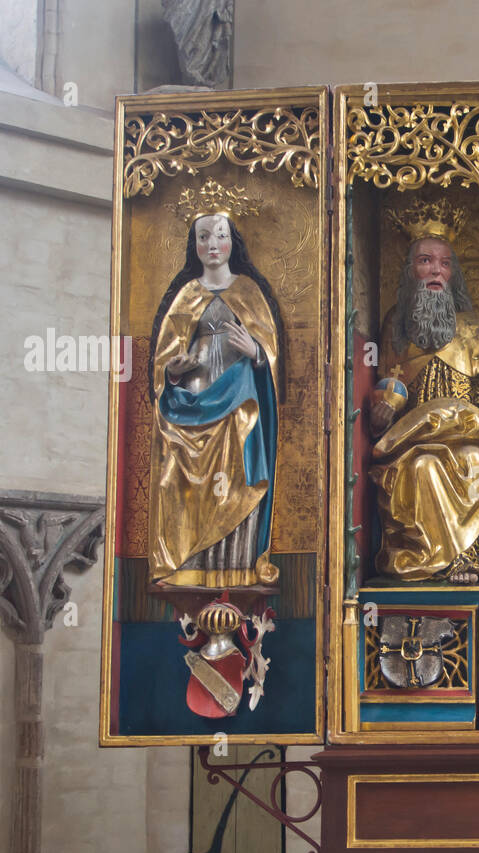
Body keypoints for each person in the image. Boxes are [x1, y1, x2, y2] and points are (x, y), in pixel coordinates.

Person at [369, 200, 479, 583]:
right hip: (411, 439)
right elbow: (389, 381)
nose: (436, 269)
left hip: (463, 433)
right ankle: (427, 561)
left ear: (453, 274)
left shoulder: (473, 328)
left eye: (444, 263)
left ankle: (465, 560)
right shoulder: (395, 325)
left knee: (475, 463)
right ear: (411, 271)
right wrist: (384, 408)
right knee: (422, 468)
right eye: (425, 261)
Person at [148, 181, 280, 588]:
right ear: (194, 244)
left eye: (220, 236)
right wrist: (173, 371)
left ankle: (235, 567)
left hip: (239, 399)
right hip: (196, 395)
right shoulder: (186, 294)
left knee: (236, 475)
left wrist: (256, 352)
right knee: (179, 478)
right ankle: (189, 566)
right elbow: (163, 358)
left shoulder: (250, 291)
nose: (212, 244)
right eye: (203, 236)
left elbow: (271, 357)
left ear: (232, 242)